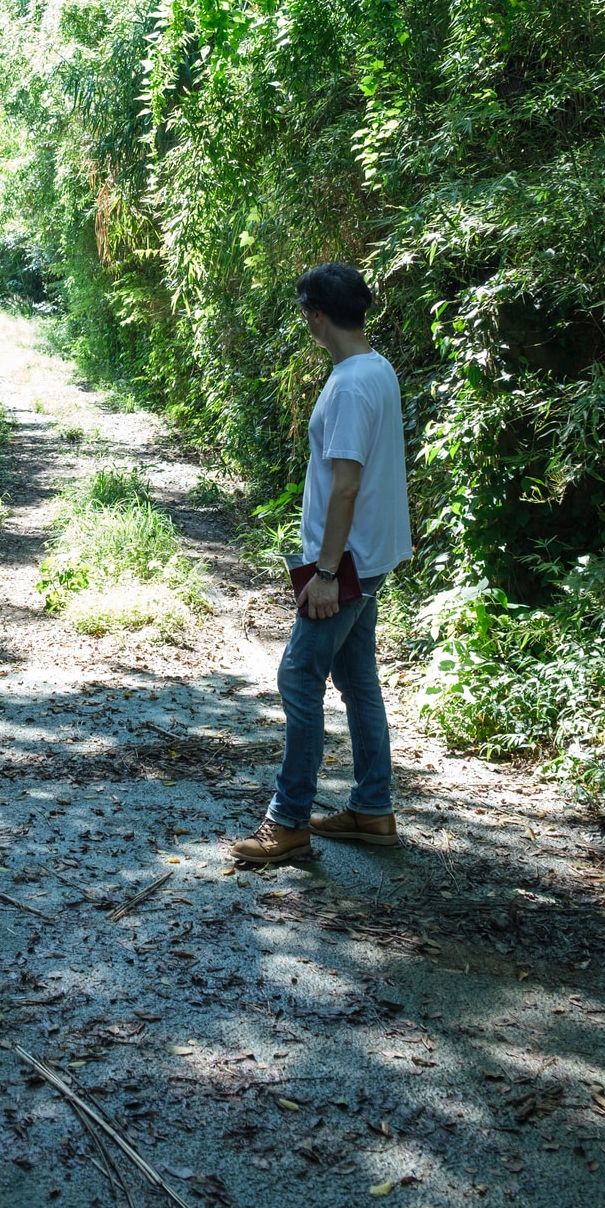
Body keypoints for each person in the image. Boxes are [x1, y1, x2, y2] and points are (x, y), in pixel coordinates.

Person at [231, 262, 412, 865]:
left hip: (347, 564)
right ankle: (372, 809)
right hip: (367, 556)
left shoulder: (352, 383)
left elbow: (345, 486)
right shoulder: (374, 369)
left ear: (315, 314)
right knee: (357, 678)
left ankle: (288, 822)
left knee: (298, 675)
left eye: (304, 313)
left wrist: (328, 572)